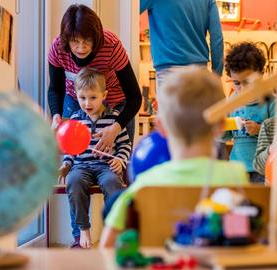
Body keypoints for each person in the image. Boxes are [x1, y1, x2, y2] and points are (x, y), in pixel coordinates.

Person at [99, 66, 249, 247]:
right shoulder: (237, 176)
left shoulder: (144, 185)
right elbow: (242, 238)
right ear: (220, 126)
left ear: (160, 127)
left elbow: (106, 248)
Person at [48, 4, 141, 152]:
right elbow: (55, 89)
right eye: (75, 41)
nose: (81, 48)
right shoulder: (57, 48)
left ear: (95, 37)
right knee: (74, 156)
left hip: (116, 104)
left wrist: (116, 128)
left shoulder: (111, 45)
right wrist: (56, 116)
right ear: (66, 39)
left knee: (119, 158)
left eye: (86, 40)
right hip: (75, 100)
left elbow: (135, 96)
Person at [58, 67, 132, 249]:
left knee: (112, 184)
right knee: (73, 182)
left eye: (93, 97)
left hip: (106, 167)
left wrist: (120, 160)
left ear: (104, 95)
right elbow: (71, 149)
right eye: (82, 98)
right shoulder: (75, 119)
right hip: (81, 167)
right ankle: (81, 231)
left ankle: (112, 231)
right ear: (76, 95)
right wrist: (67, 164)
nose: (87, 103)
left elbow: (125, 145)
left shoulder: (115, 120)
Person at [140, 0, 224, 89]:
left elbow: (128, 12)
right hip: (200, 72)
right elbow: (217, 38)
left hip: (168, 72)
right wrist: (216, 77)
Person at [223, 42, 276, 183]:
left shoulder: (270, 101)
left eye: (248, 82)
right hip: (237, 170)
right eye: (237, 83)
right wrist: (219, 128)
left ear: (260, 75)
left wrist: (259, 130)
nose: (242, 89)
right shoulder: (231, 101)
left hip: (263, 168)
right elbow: (225, 136)